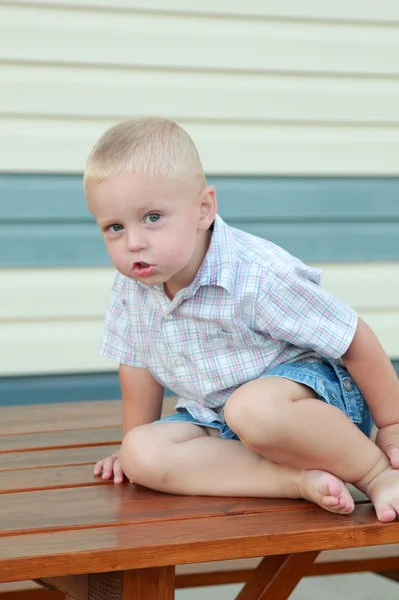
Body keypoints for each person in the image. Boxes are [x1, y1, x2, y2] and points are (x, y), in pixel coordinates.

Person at [84, 117, 399, 522]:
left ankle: (374, 475)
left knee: (252, 408)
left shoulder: (256, 274)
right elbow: (138, 363)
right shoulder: (133, 287)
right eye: (114, 227)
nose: (134, 242)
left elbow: (352, 336)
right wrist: (130, 443)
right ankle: (295, 481)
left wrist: (391, 423)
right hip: (215, 416)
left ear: (203, 209)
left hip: (310, 410)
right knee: (143, 454)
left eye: (153, 217)